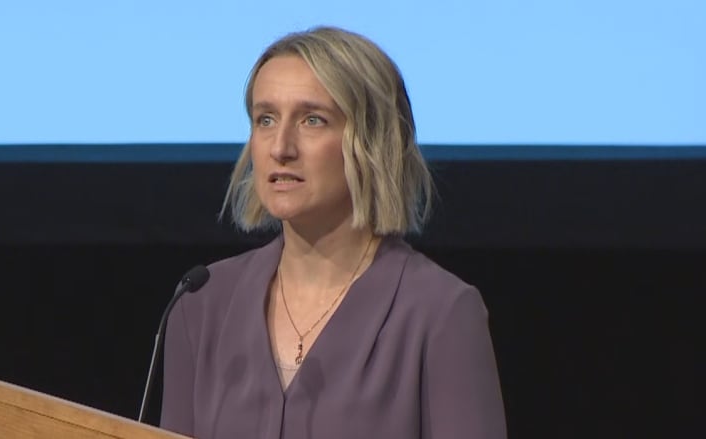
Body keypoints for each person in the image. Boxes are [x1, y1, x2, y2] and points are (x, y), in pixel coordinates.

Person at [160, 26, 506, 438]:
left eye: (312, 120)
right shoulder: (202, 303)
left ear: (371, 142)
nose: (280, 147)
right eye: (265, 119)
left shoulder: (440, 312)